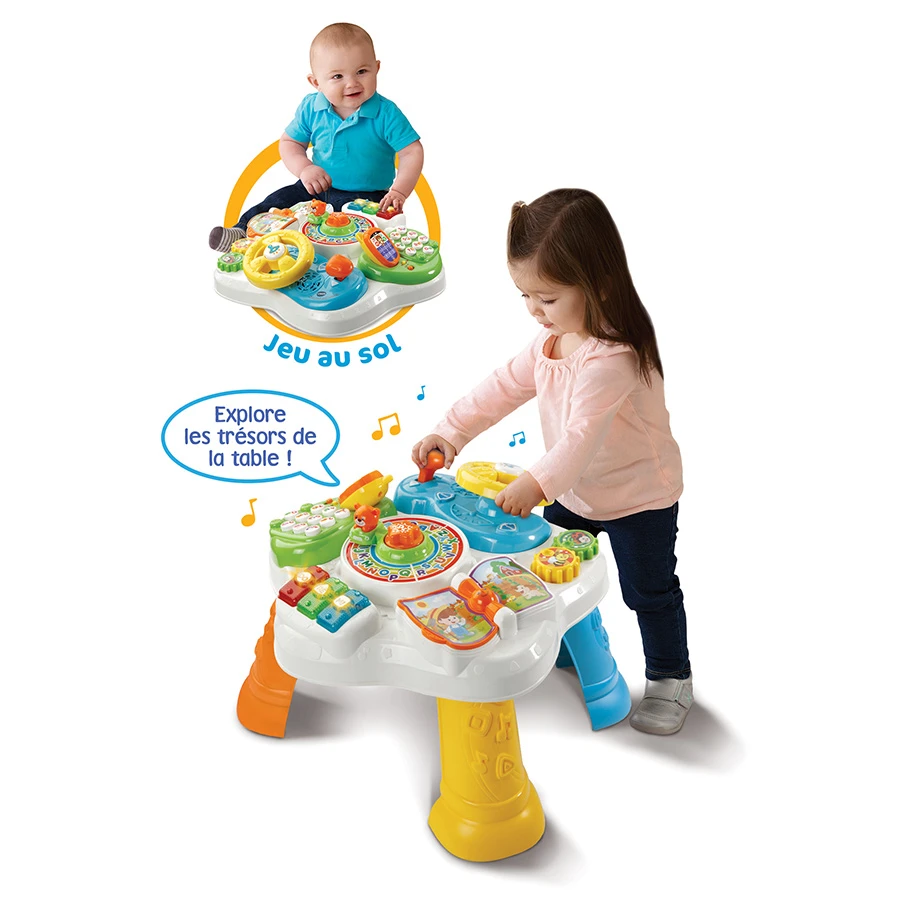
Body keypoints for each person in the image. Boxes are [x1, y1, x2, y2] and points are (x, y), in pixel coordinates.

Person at [412, 189, 692, 735]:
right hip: (575, 491)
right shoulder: (551, 342)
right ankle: (574, 642)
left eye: (547, 297)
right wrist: (451, 431)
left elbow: (580, 439)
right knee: (551, 573)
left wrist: (536, 484)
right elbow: (500, 388)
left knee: (648, 591)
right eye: (525, 296)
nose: (534, 311)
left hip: (638, 498)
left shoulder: (614, 357)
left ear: (598, 283)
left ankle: (669, 677)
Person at [209, 22, 424, 252]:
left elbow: (412, 151)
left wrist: (399, 191)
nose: (352, 83)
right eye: (337, 76)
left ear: (377, 68)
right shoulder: (311, 108)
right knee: (278, 201)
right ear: (316, 83)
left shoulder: (386, 113)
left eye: (362, 71)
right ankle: (242, 232)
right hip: (315, 188)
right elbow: (290, 142)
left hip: (367, 196)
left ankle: (333, 262)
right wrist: (305, 169)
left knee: (354, 232)